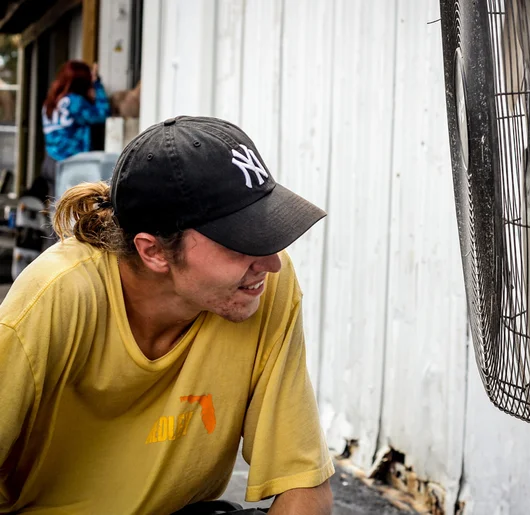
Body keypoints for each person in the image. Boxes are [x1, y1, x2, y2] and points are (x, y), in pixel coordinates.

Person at [0, 116, 335, 514]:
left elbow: (305, 487)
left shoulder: (260, 285)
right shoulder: (58, 296)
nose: (271, 262)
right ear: (153, 251)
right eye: (241, 241)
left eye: (266, 231)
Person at [41, 59, 111, 199]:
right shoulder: (74, 101)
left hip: (50, 160)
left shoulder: (52, 100)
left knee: (56, 210)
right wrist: (97, 84)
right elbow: (102, 114)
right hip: (68, 162)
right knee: (70, 212)